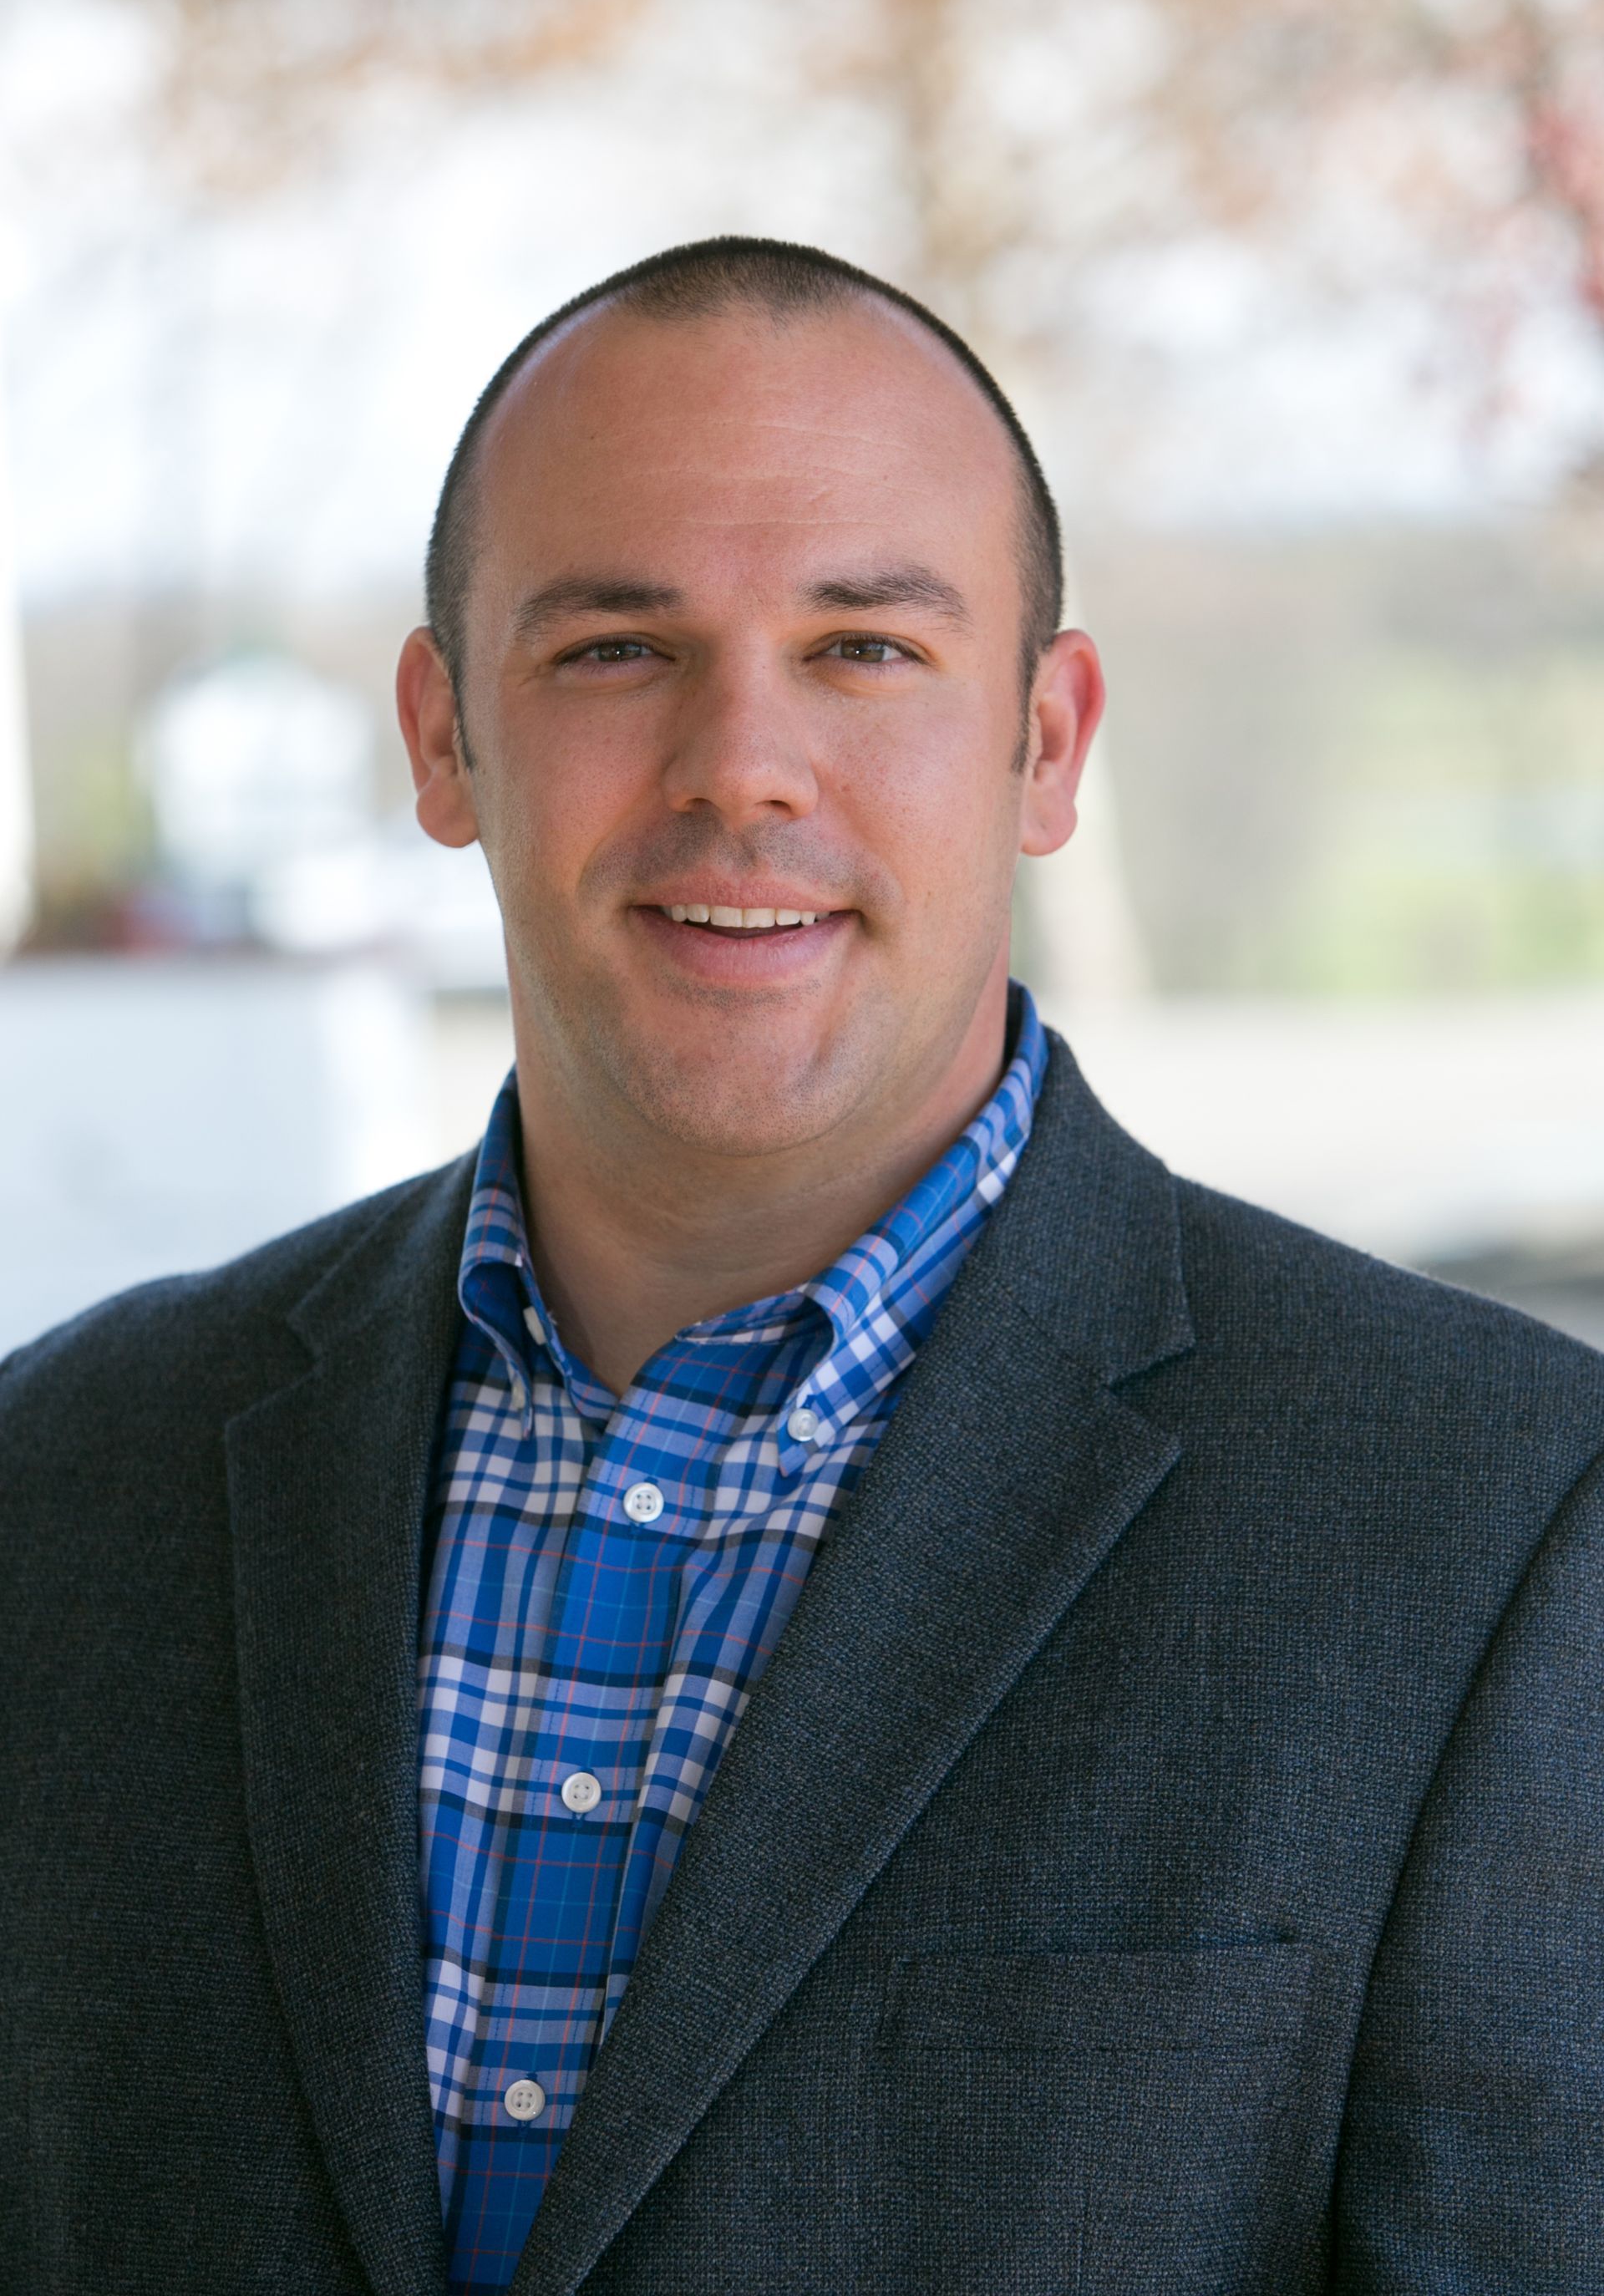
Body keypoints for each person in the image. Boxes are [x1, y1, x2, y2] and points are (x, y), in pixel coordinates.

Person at [5, 235, 1604, 2296]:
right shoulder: (63, 1476)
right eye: (612, 650)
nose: (740, 768)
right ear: (441, 735)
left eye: (863, 649)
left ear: (1047, 738)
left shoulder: (1498, 1526)